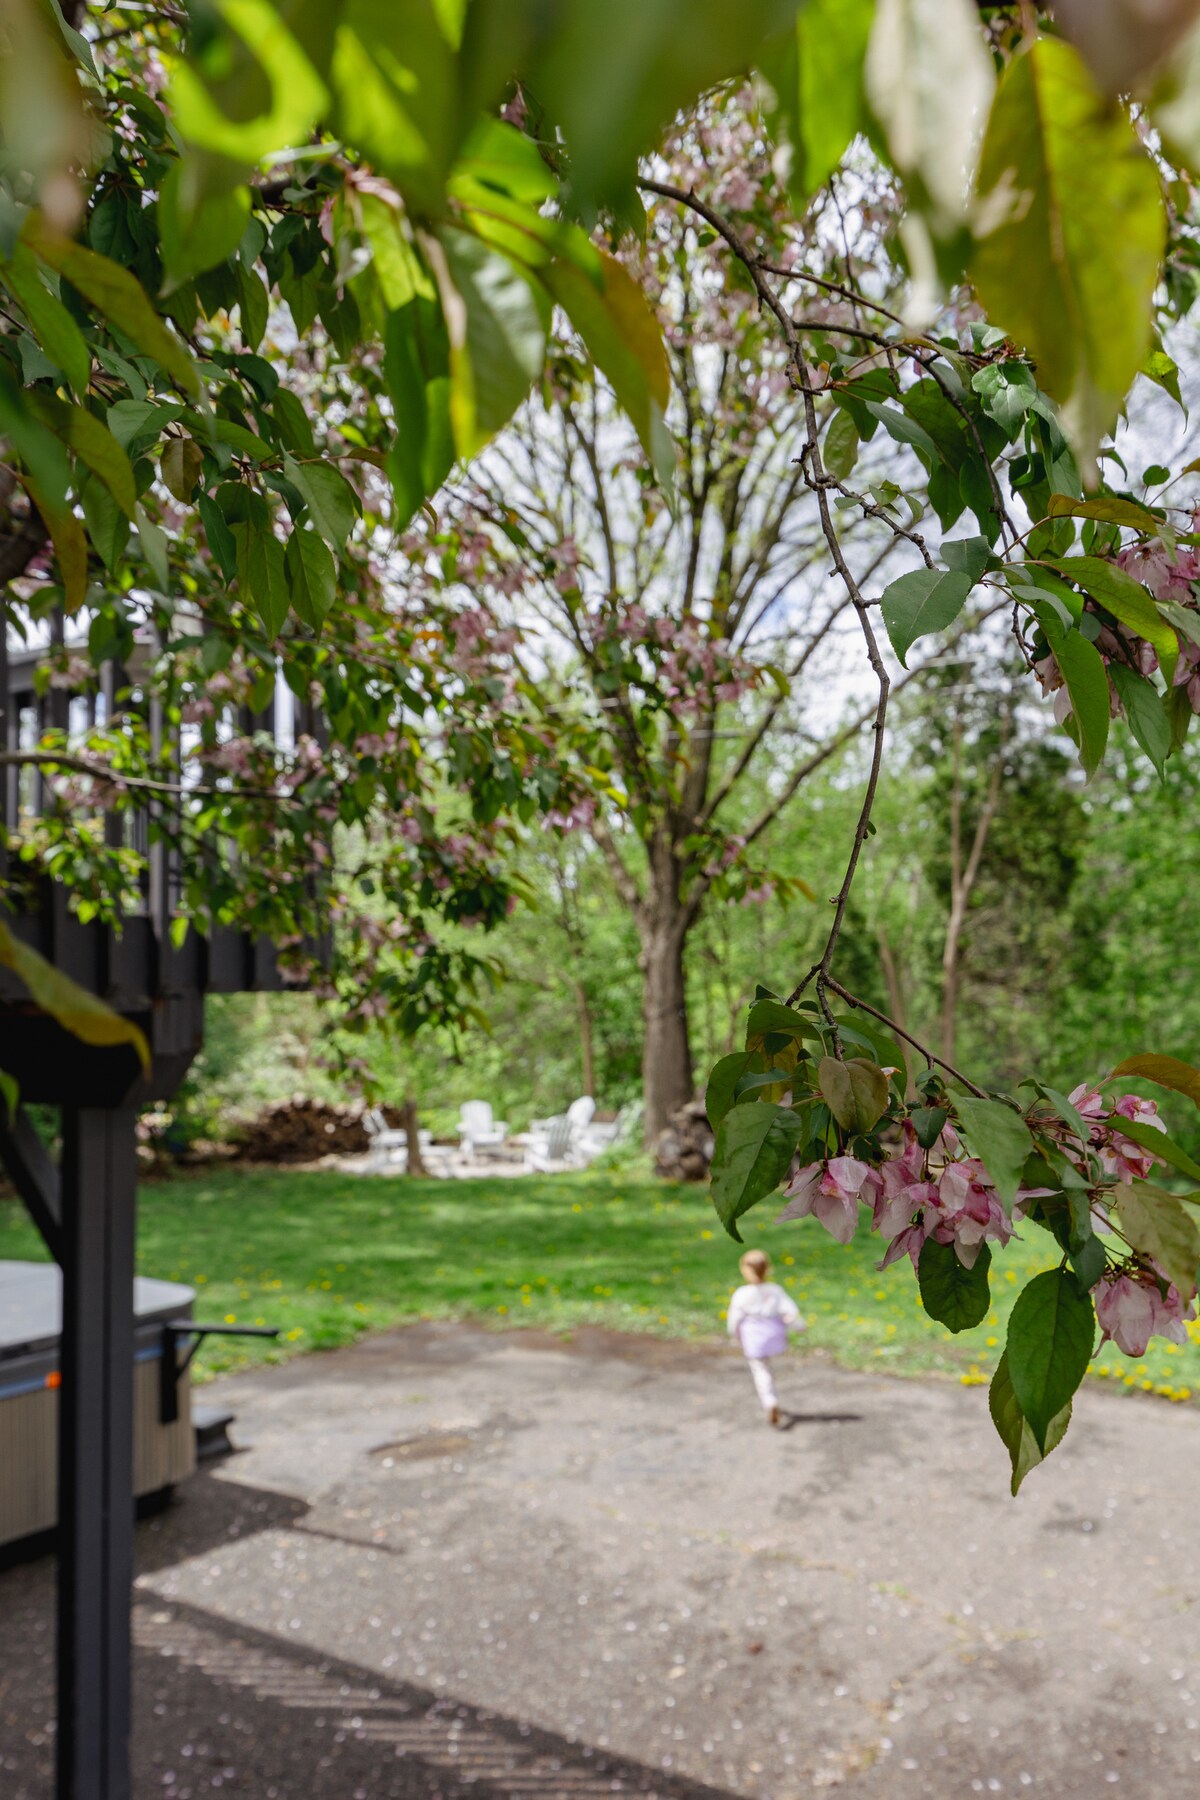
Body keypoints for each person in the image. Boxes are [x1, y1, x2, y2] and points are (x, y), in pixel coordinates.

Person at [726, 1248, 806, 1426]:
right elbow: (790, 1311)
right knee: (766, 1366)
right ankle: (771, 1396)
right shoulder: (775, 1290)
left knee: (760, 1368)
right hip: (774, 1336)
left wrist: (734, 1335)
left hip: (754, 1338)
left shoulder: (742, 1294)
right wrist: (800, 1326)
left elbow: (734, 1320)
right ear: (768, 1269)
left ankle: (769, 1400)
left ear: (744, 1271)